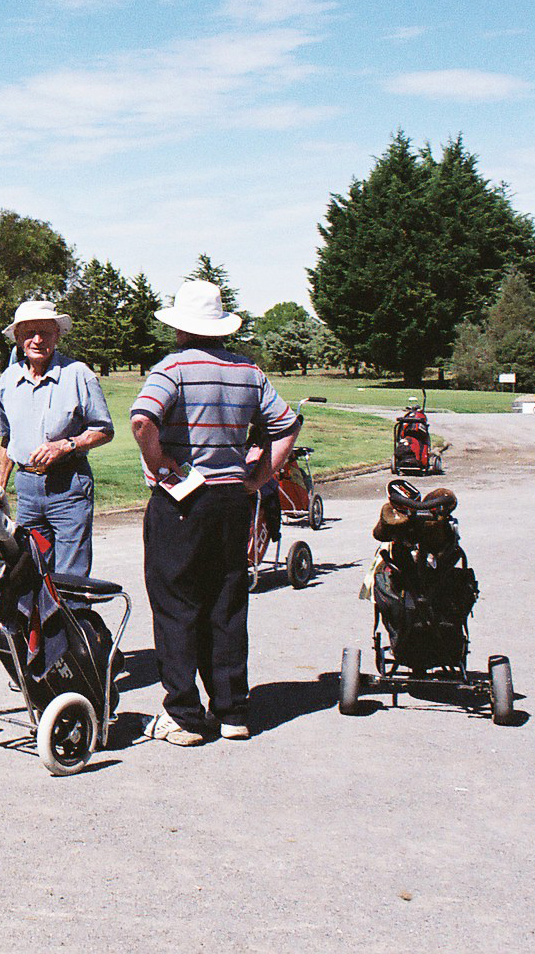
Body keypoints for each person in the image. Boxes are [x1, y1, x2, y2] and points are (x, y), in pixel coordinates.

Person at [129, 280, 300, 747]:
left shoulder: (173, 367)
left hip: (183, 498)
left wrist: (157, 462)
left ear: (181, 328)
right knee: (226, 602)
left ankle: (183, 715)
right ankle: (231, 711)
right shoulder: (249, 370)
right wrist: (261, 476)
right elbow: (286, 424)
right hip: (231, 500)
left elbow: (143, 420)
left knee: (176, 603)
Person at [0, 300, 114, 578]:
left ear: (57, 336)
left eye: (45, 332)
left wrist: (66, 445)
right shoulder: (8, 379)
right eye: (29, 333)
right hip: (27, 491)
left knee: (70, 573)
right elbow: (7, 438)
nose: (37, 340)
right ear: (18, 338)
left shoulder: (78, 374)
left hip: (68, 487)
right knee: (33, 564)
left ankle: (72, 621)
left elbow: (104, 430)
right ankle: (41, 622)